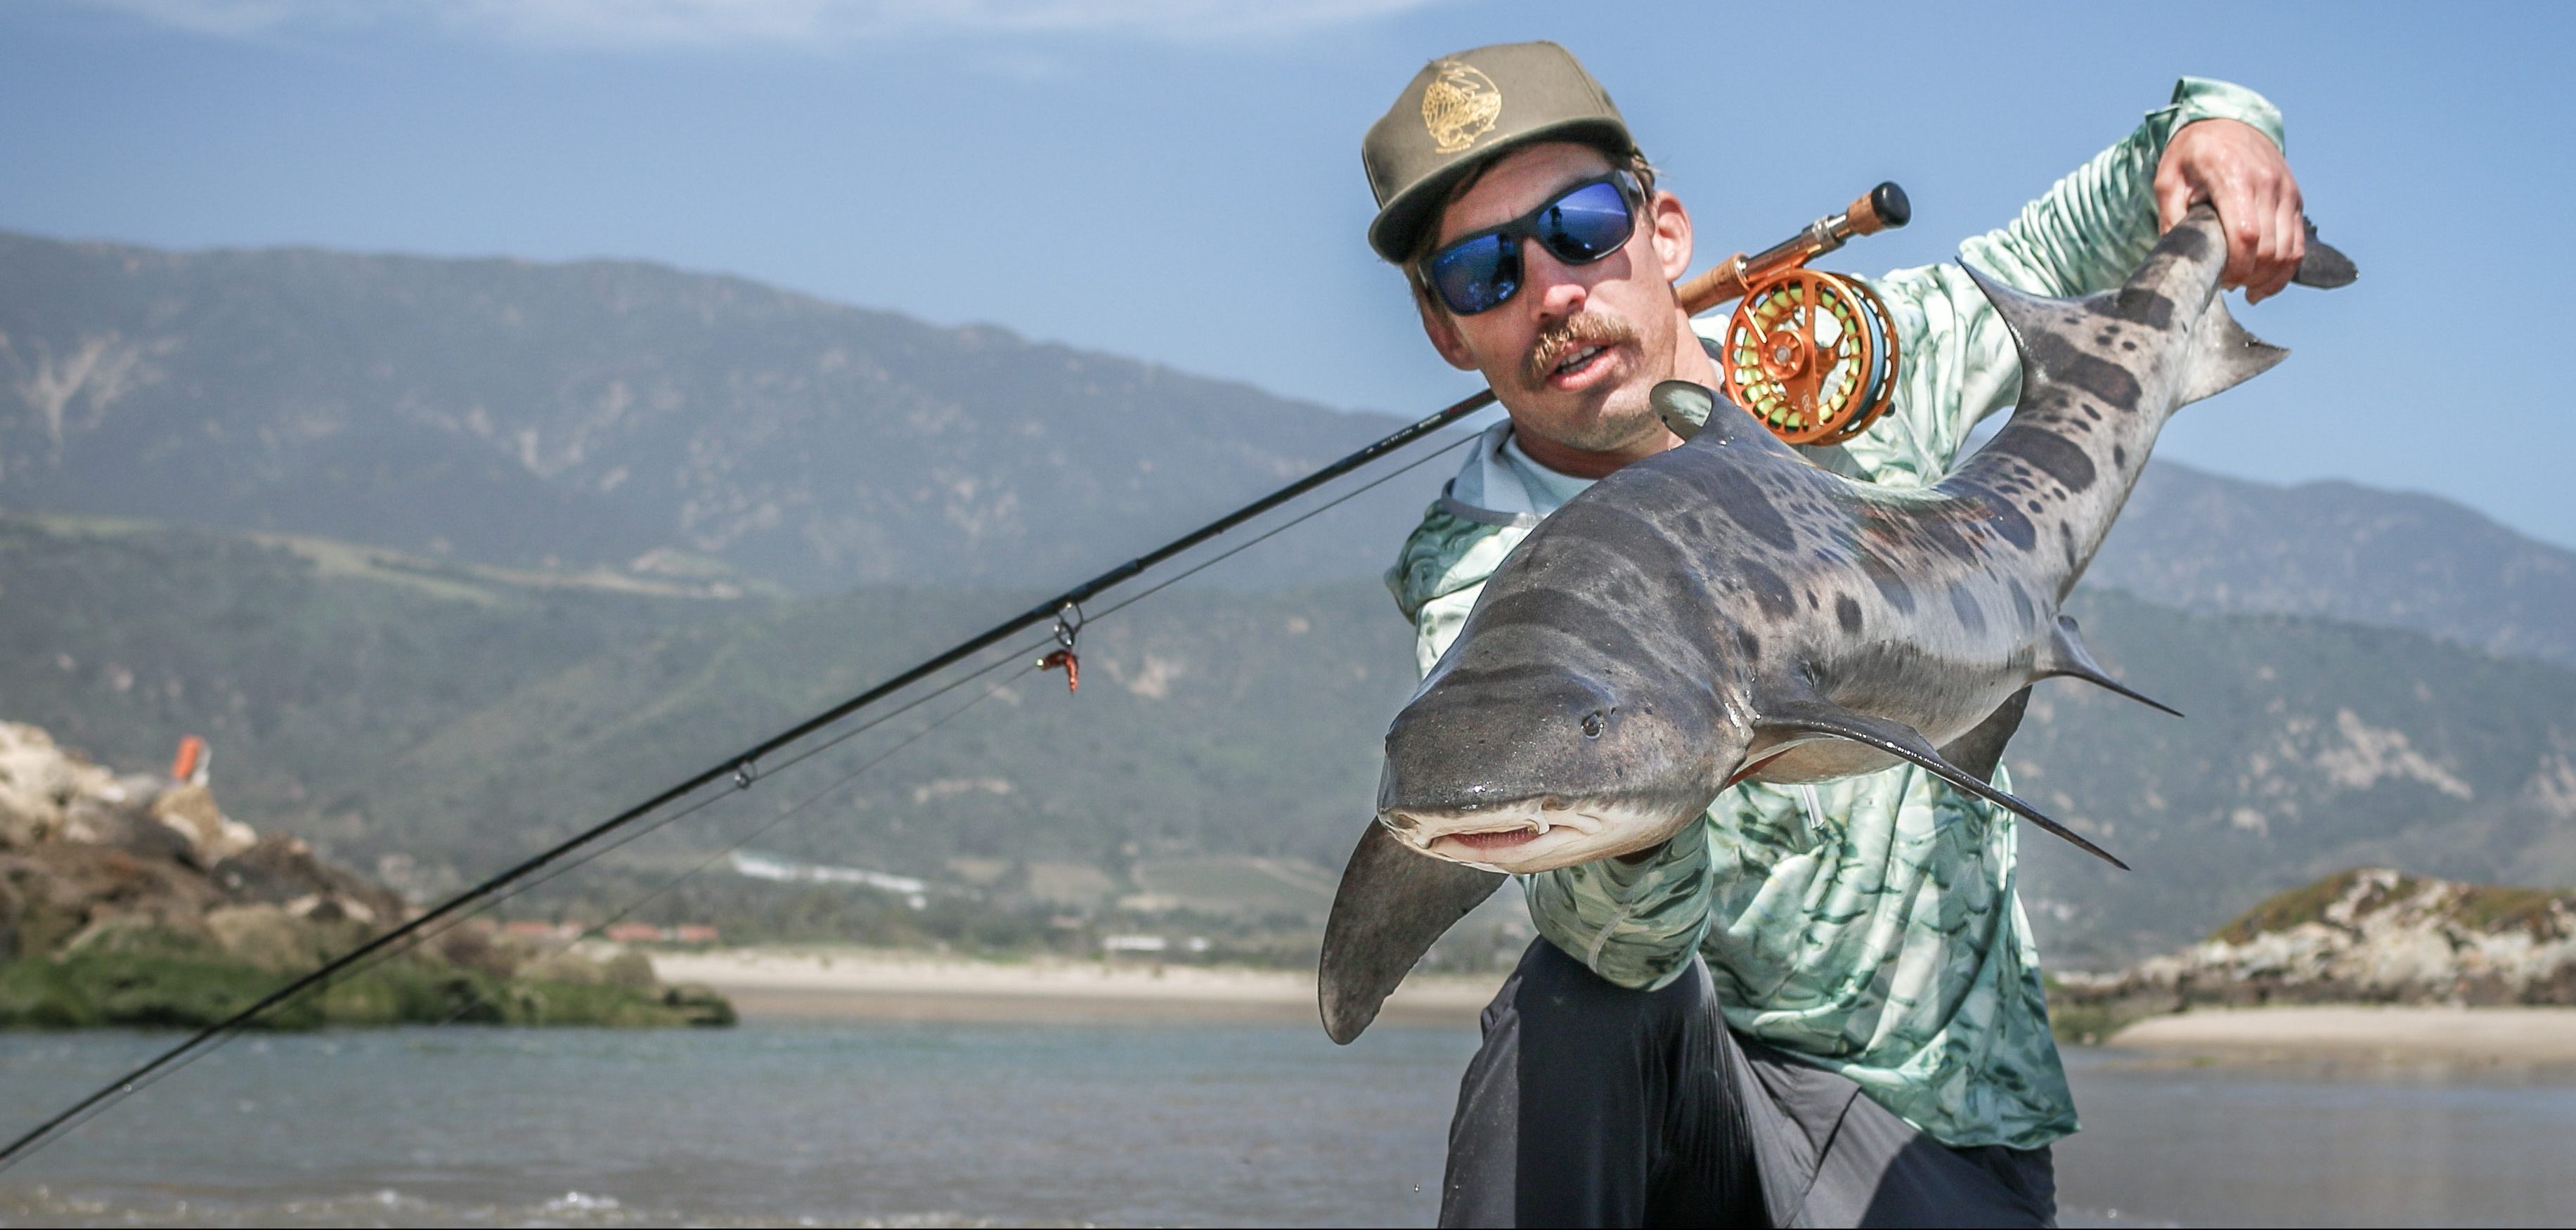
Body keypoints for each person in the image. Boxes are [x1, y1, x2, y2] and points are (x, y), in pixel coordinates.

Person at [1360, 41, 2306, 1227]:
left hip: (1935, 1121)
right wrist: (1634, 779)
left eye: (1580, 227)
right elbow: (1625, 948)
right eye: (1481, 269)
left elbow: (2079, 231)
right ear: (1443, 326)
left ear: (1662, 231)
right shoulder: (1477, 568)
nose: (1549, 291)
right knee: (1575, 997)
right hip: (1700, 1107)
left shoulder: (1848, 355)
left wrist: (2216, 131)